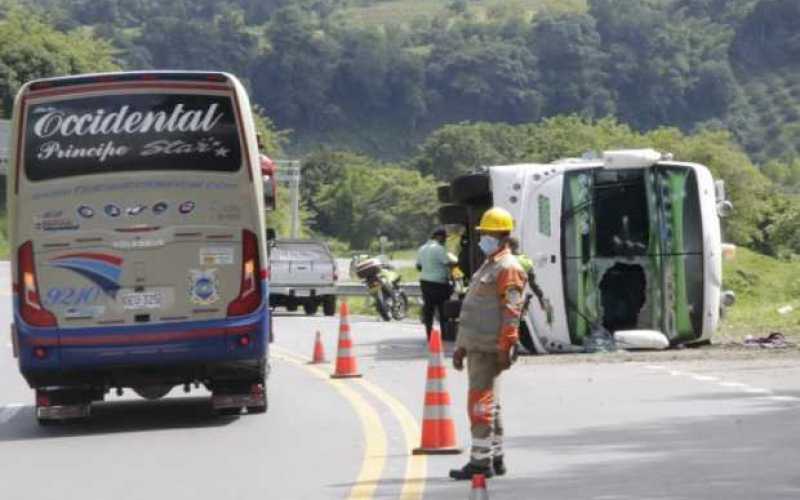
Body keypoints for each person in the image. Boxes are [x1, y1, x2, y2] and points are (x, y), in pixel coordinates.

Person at [450, 207, 527, 480]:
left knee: (480, 404)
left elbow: (512, 311)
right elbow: (473, 310)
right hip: (476, 345)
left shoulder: (509, 268)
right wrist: (460, 347)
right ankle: (495, 458)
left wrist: (507, 346)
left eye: (487, 233)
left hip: (489, 348)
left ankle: (480, 463)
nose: (483, 238)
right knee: (489, 402)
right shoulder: (490, 264)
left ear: (501, 235)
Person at [416, 227, 453, 339]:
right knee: (443, 309)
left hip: (425, 282)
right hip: (439, 283)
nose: (445, 240)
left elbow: (418, 266)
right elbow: (447, 263)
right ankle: (444, 335)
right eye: (444, 238)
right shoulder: (439, 248)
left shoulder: (421, 248)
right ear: (439, 237)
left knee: (429, 309)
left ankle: (429, 334)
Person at [508, 237, 554, 325]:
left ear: (511, 247)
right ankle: (542, 302)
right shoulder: (522, 256)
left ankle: (526, 304)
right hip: (527, 268)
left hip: (518, 276)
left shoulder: (512, 259)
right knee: (534, 287)